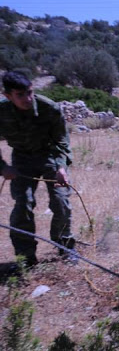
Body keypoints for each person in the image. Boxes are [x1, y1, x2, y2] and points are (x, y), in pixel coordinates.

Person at [0, 71, 75, 267]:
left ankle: (65, 246)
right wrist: (3, 167)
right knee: (23, 204)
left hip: (49, 155)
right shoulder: (2, 111)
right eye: (20, 95)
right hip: (22, 158)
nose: (27, 98)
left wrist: (61, 167)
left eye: (30, 92)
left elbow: (61, 140)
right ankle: (25, 257)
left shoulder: (49, 108)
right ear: (7, 95)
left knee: (61, 200)